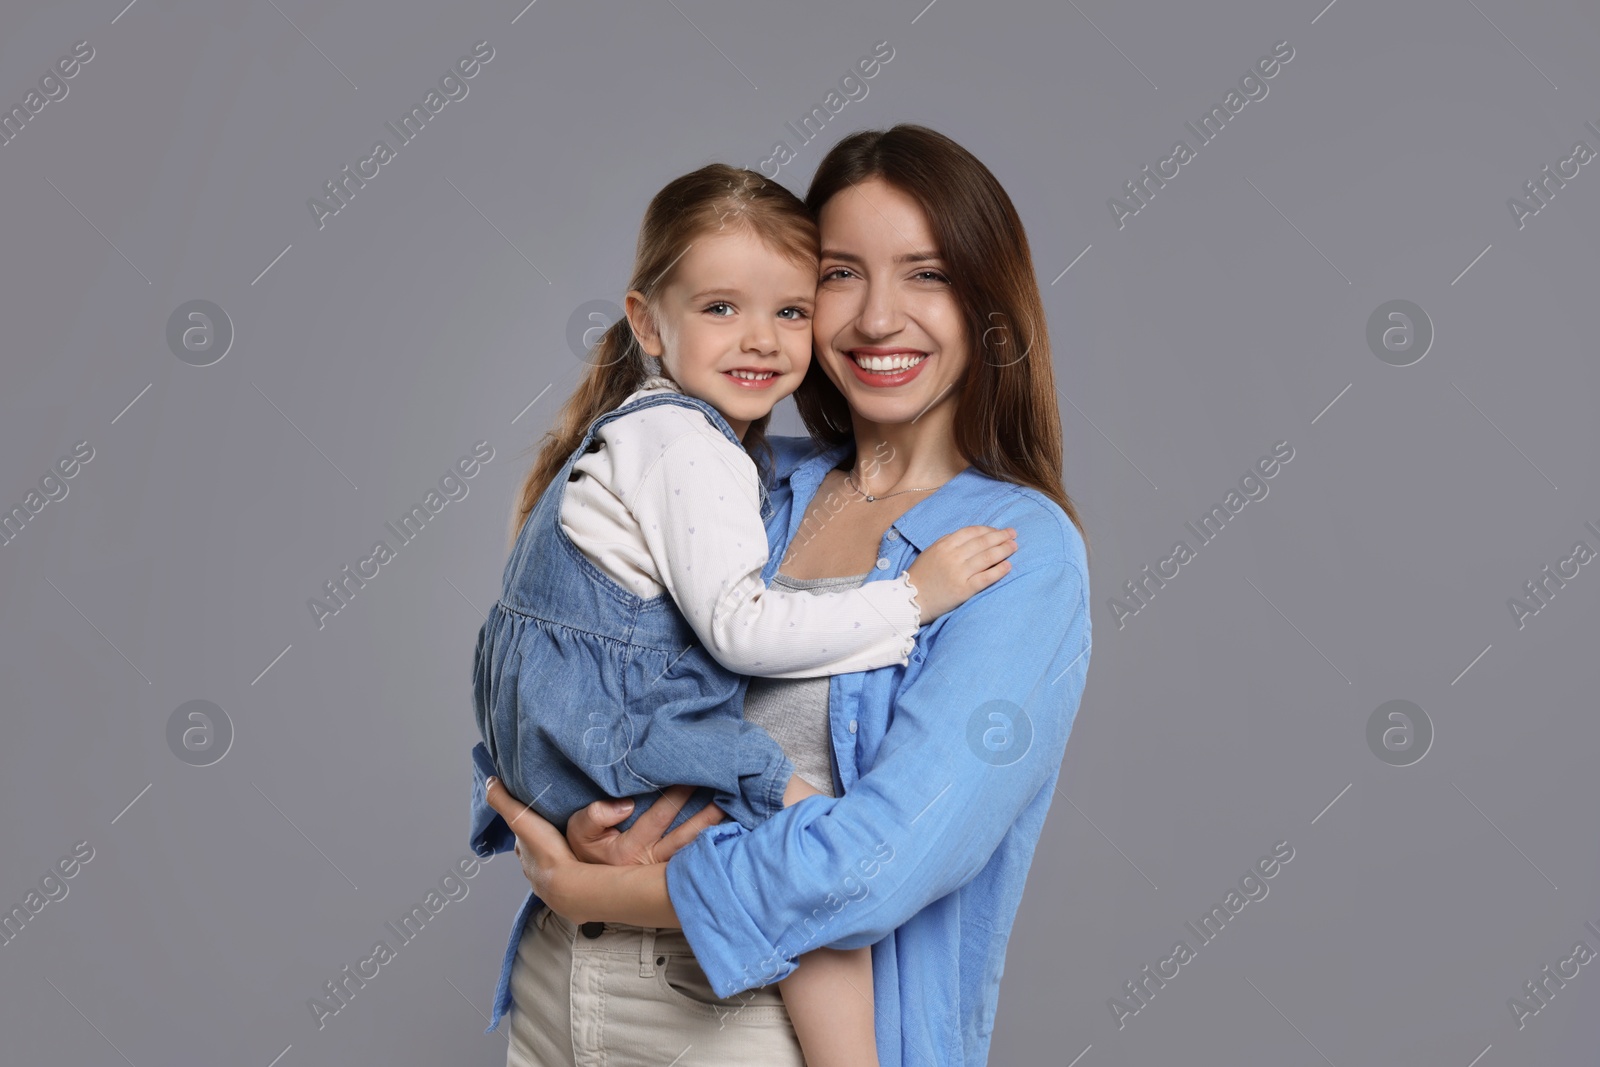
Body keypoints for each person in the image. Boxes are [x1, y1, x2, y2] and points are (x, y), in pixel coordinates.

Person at [483, 124, 1092, 1066]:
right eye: (843, 274)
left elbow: (875, 863)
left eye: (925, 273)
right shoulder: (744, 474)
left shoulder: (1020, 554)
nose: (879, 317)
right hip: (559, 986)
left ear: (987, 307)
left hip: (747, 1023)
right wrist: (561, 818)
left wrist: (594, 886)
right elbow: (573, 655)